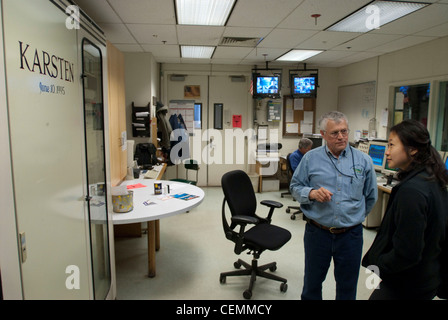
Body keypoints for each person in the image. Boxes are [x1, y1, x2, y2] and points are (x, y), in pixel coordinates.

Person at [290, 111, 378, 300]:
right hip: (317, 233)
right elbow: (295, 187)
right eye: (335, 133)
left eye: (344, 131)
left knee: (347, 289)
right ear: (323, 135)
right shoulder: (310, 158)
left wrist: (353, 217)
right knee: (312, 286)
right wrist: (311, 194)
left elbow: (370, 197)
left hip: (350, 236)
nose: (341, 137)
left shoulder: (363, 161)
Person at [362, 119, 448, 300]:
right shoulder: (433, 179)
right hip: (427, 278)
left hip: (406, 284)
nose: (387, 152)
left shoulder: (412, 192)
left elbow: (407, 252)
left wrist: (379, 262)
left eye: (392, 145)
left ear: (413, 149)